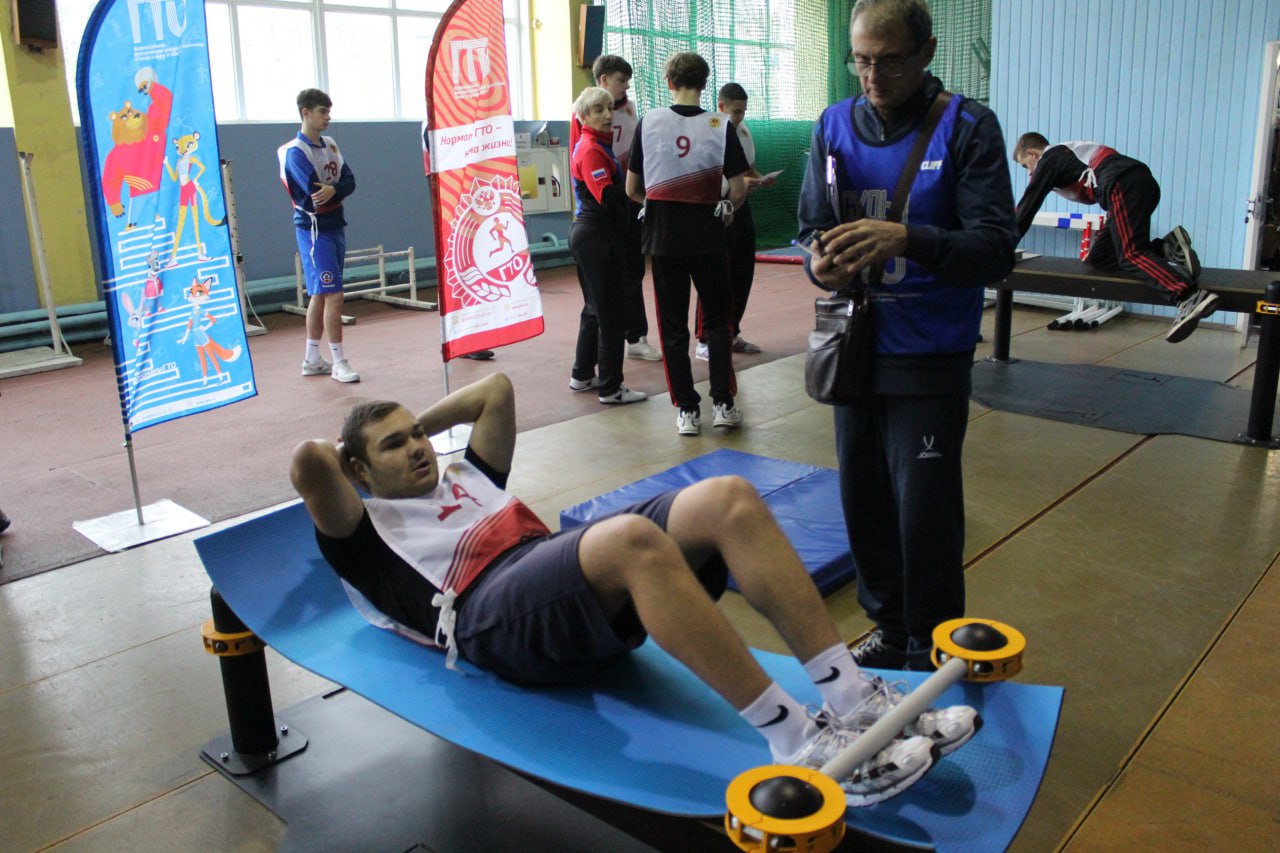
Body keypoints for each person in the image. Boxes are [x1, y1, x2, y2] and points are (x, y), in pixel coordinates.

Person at [290, 372, 981, 807]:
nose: (416, 448)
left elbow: (495, 390)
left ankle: (852, 696)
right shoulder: (364, 531)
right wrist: (358, 459)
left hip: (554, 575)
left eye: (417, 435)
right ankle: (798, 741)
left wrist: (419, 435)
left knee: (727, 498)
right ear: (357, 467)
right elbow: (309, 460)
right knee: (629, 541)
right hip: (490, 619)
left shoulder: (465, 475)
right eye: (394, 445)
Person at [796, 0, 1018, 669]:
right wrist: (818, 260)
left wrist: (909, 238)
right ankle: (890, 631)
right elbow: (810, 226)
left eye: (888, 59)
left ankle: (933, 642)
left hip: (928, 356)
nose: (872, 74)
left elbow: (995, 250)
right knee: (862, 504)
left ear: (926, 52)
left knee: (924, 514)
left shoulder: (968, 127)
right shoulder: (833, 124)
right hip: (856, 347)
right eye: (861, 59)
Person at [627, 53, 748, 437]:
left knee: (673, 326)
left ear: (668, 82)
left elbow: (632, 189)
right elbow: (740, 187)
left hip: (664, 241)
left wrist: (659, 203)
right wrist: (726, 205)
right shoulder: (720, 125)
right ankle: (724, 404)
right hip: (710, 238)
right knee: (716, 322)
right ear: (705, 84)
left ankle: (687, 411)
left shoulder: (649, 122)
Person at [1012, 132, 1216, 343]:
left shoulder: (1050, 158)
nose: (1029, 174)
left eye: (1025, 166)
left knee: (1131, 255)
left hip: (1122, 184)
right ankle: (1167, 248)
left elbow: (1027, 207)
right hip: (1138, 183)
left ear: (1032, 153)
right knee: (1100, 259)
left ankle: (1188, 296)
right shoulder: (1066, 153)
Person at [570, 56, 662, 363]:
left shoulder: (631, 110)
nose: (607, 115)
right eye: (621, 80)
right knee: (602, 294)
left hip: (628, 204)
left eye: (609, 109)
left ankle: (635, 336)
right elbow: (580, 164)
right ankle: (599, 368)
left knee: (634, 272)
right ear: (605, 80)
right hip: (602, 214)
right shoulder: (583, 120)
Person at [567, 87, 647, 405]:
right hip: (596, 238)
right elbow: (607, 196)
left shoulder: (601, 145)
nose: (606, 115)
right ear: (584, 116)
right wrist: (641, 192)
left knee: (594, 310)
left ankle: (582, 374)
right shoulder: (590, 150)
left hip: (594, 236)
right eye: (598, 109)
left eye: (609, 108)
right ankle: (612, 387)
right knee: (611, 314)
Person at [279, 88, 360, 383]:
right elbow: (315, 195)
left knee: (319, 294)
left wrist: (336, 189)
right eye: (323, 112)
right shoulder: (295, 153)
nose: (328, 117)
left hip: (336, 225)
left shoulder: (331, 145)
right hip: (314, 230)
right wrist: (331, 191)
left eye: (329, 111)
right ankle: (339, 362)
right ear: (306, 113)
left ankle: (312, 359)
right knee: (333, 294)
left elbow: (349, 181)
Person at [695, 83, 775, 362]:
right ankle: (705, 339)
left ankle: (732, 331)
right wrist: (741, 184)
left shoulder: (741, 131)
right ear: (721, 107)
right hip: (719, 209)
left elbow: (747, 169)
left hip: (742, 207)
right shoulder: (709, 132)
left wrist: (760, 178)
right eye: (736, 111)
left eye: (743, 111)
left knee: (743, 270)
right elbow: (709, 175)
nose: (740, 116)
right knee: (716, 275)